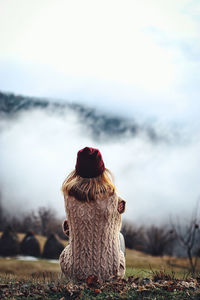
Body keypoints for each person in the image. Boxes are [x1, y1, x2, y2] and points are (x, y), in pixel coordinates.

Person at [59, 146, 126, 283]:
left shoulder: (69, 196)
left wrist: (70, 226)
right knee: (119, 236)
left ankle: (72, 282)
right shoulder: (112, 197)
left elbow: (73, 228)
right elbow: (112, 226)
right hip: (110, 272)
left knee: (72, 243)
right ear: (102, 171)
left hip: (76, 271)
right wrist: (119, 206)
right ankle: (115, 280)